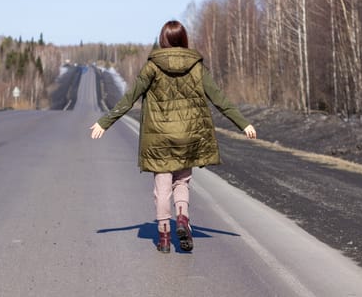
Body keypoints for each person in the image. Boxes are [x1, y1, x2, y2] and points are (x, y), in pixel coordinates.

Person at [90, 20, 256, 253]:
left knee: (162, 188)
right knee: (182, 182)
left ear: (163, 40)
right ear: (183, 39)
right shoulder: (197, 66)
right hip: (188, 137)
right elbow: (219, 99)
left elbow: (130, 97)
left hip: (159, 139)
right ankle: (182, 217)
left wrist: (104, 122)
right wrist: (244, 123)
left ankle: (165, 237)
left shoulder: (152, 66)